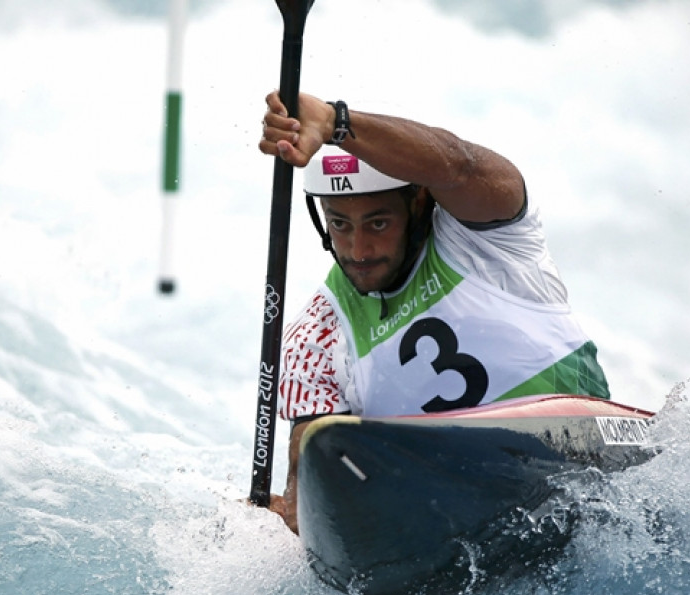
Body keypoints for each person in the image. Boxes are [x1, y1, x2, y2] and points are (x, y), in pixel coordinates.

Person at [257, 91, 610, 534]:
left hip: (577, 462)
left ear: (419, 204)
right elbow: (316, 478)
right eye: (340, 224)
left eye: (378, 223)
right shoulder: (313, 337)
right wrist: (285, 520)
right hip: (446, 513)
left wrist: (336, 123)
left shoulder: (485, 238)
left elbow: (458, 165)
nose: (358, 250)